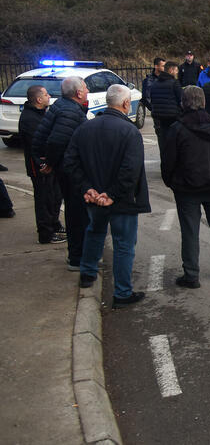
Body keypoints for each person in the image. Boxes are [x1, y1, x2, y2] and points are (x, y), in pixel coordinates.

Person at [63, 84, 149, 308]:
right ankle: (122, 293)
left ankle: (87, 273)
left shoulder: (85, 128)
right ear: (126, 103)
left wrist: (87, 189)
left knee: (94, 231)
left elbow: (70, 162)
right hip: (122, 200)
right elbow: (131, 170)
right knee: (123, 245)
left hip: (94, 197)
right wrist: (111, 194)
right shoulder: (130, 131)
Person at [161, 86, 210, 288]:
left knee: (189, 231)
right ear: (203, 102)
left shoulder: (177, 128)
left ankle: (191, 274)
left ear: (183, 103)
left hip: (187, 187)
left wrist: (170, 181)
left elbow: (168, 160)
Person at [32, 76, 90, 270]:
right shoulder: (69, 112)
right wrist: (50, 163)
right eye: (86, 88)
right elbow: (57, 141)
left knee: (75, 213)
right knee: (77, 214)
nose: (88, 91)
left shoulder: (63, 106)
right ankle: (77, 259)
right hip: (69, 170)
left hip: (64, 166)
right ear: (79, 93)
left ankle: (78, 256)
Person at [18, 85, 65, 244]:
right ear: (38, 99)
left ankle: (54, 224)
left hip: (49, 164)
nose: (48, 96)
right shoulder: (29, 119)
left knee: (55, 196)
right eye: (45, 94)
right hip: (40, 167)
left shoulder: (40, 114)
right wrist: (43, 164)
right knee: (44, 199)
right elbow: (36, 146)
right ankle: (46, 233)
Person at [149, 61, 183, 152]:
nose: (177, 73)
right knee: (174, 149)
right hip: (173, 120)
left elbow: (151, 100)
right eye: (176, 70)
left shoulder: (155, 83)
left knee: (163, 149)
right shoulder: (174, 83)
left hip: (159, 120)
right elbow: (181, 100)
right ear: (171, 70)